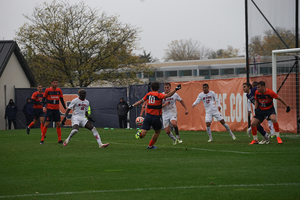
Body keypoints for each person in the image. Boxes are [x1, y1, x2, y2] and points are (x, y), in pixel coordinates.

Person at [129, 82, 181, 149]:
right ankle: (150, 146)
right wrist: (176, 89)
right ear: (158, 88)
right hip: (156, 117)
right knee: (157, 132)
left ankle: (140, 133)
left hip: (148, 116)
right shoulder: (159, 95)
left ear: (151, 88)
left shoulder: (148, 94)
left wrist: (132, 105)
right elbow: (168, 95)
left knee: (143, 135)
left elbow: (140, 102)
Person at [40, 79, 67, 144]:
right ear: (51, 83)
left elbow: (61, 99)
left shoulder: (59, 90)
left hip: (56, 110)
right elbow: (43, 99)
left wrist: (65, 108)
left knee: (58, 124)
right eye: (54, 83)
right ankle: (42, 139)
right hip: (49, 110)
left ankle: (59, 140)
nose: (56, 84)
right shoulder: (47, 90)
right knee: (46, 124)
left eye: (56, 83)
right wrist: (43, 107)